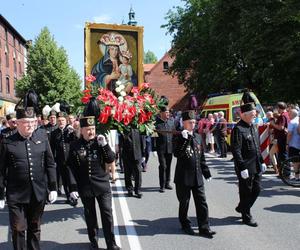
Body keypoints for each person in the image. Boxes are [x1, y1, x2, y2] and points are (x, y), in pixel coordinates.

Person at [0, 90, 57, 250]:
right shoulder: (7, 141)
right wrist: (0, 193)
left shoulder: (42, 137)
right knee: (18, 229)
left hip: (37, 193)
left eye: (33, 122)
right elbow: (1, 169)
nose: (31, 126)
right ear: (17, 123)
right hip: (16, 195)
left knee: (35, 228)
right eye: (26, 122)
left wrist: (52, 187)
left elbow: (50, 164)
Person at [67, 100, 120, 250]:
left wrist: (104, 146)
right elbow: (70, 167)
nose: (91, 132)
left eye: (93, 128)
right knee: (90, 216)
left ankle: (111, 243)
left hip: (102, 185)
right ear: (82, 130)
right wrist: (73, 188)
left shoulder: (100, 142)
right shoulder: (75, 146)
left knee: (107, 214)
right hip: (85, 187)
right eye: (88, 129)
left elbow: (110, 159)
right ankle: (93, 241)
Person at [173, 110, 216, 238]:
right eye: (190, 123)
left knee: (202, 202)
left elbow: (201, 157)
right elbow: (177, 154)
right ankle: (185, 224)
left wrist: (206, 172)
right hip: (183, 177)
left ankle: (204, 227)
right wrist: (184, 140)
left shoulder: (197, 137)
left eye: (194, 122)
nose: (193, 125)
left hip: (197, 176)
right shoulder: (179, 136)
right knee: (184, 202)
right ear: (184, 123)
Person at [231, 94, 266, 227]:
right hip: (245, 166)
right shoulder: (238, 129)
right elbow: (236, 150)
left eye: (254, 114)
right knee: (246, 191)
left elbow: (257, 147)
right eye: (252, 114)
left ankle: (242, 207)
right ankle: (246, 216)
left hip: (256, 164)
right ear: (244, 115)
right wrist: (242, 167)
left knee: (257, 189)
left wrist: (262, 161)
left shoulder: (252, 126)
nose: (254, 116)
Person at [50, 109, 77, 205]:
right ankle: (69, 196)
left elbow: (77, 141)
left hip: (71, 159)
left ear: (66, 121)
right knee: (65, 180)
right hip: (60, 160)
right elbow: (52, 148)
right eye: (59, 120)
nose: (61, 122)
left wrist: (74, 133)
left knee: (72, 178)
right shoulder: (54, 133)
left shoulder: (70, 130)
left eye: (62, 120)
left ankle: (74, 195)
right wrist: (53, 160)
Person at [154, 106, 175, 193]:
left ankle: (167, 183)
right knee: (163, 166)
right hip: (161, 149)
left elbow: (174, 134)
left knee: (169, 166)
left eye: (168, 112)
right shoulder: (157, 124)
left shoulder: (171, 122)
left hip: (170, 148)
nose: (168, 114)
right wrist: (154, 149)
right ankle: (162, 185)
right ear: (161, 113)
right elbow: (153, 137)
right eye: (166, 112)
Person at [121, 128, 145, 198]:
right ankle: (129, 190)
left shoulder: (138, 127)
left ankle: (138, 190)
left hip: (137, 153)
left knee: (138, 173)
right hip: (126, 153)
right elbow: (121, 140)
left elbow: (142, 140)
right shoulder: (123, 127)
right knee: (127, 173)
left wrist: (143, 154)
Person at [287, 109, 300, 180]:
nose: (288, 115)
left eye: (289, 113)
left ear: (292, 114)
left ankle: (297, 176)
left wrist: (287, 143)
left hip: (294, 144)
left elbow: (289, 134)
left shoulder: (291, 122)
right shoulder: (298, 120)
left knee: (295, 161)